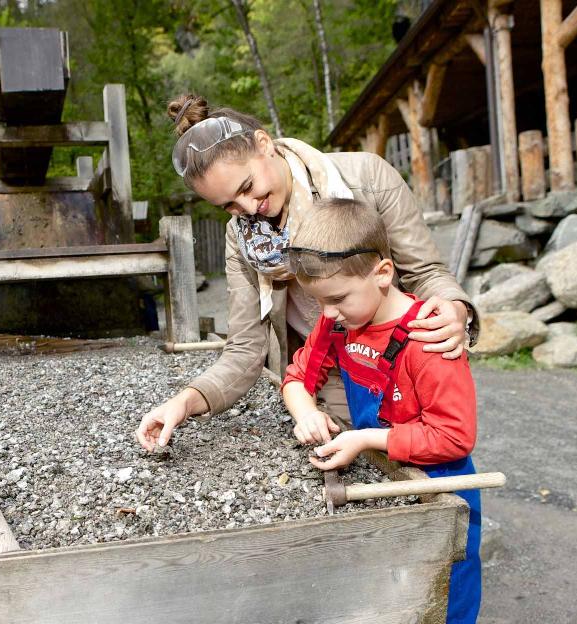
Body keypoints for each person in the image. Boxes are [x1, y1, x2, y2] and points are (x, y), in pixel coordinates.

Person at [136, 94, 477, 452]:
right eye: (229, 206)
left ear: (263, 144)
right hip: (326, 373)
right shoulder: (240, 236)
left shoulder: (367, 178)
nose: (249, 208)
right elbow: (245, 348)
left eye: (247, 187)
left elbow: (425, 271)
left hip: (401, 367)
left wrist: (455, 308)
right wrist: (185, 401)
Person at [281, 197, 481, 624]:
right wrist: (306, 413)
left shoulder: (429, 341)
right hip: (386, 474)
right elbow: (296, 378)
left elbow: (454, 437)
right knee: (389, 606)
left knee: (444, 605)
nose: (327, 314)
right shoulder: (338, 324)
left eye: (338, 299)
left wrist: (365, 439)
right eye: (319, 302)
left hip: (440, 487)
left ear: (383, 273)